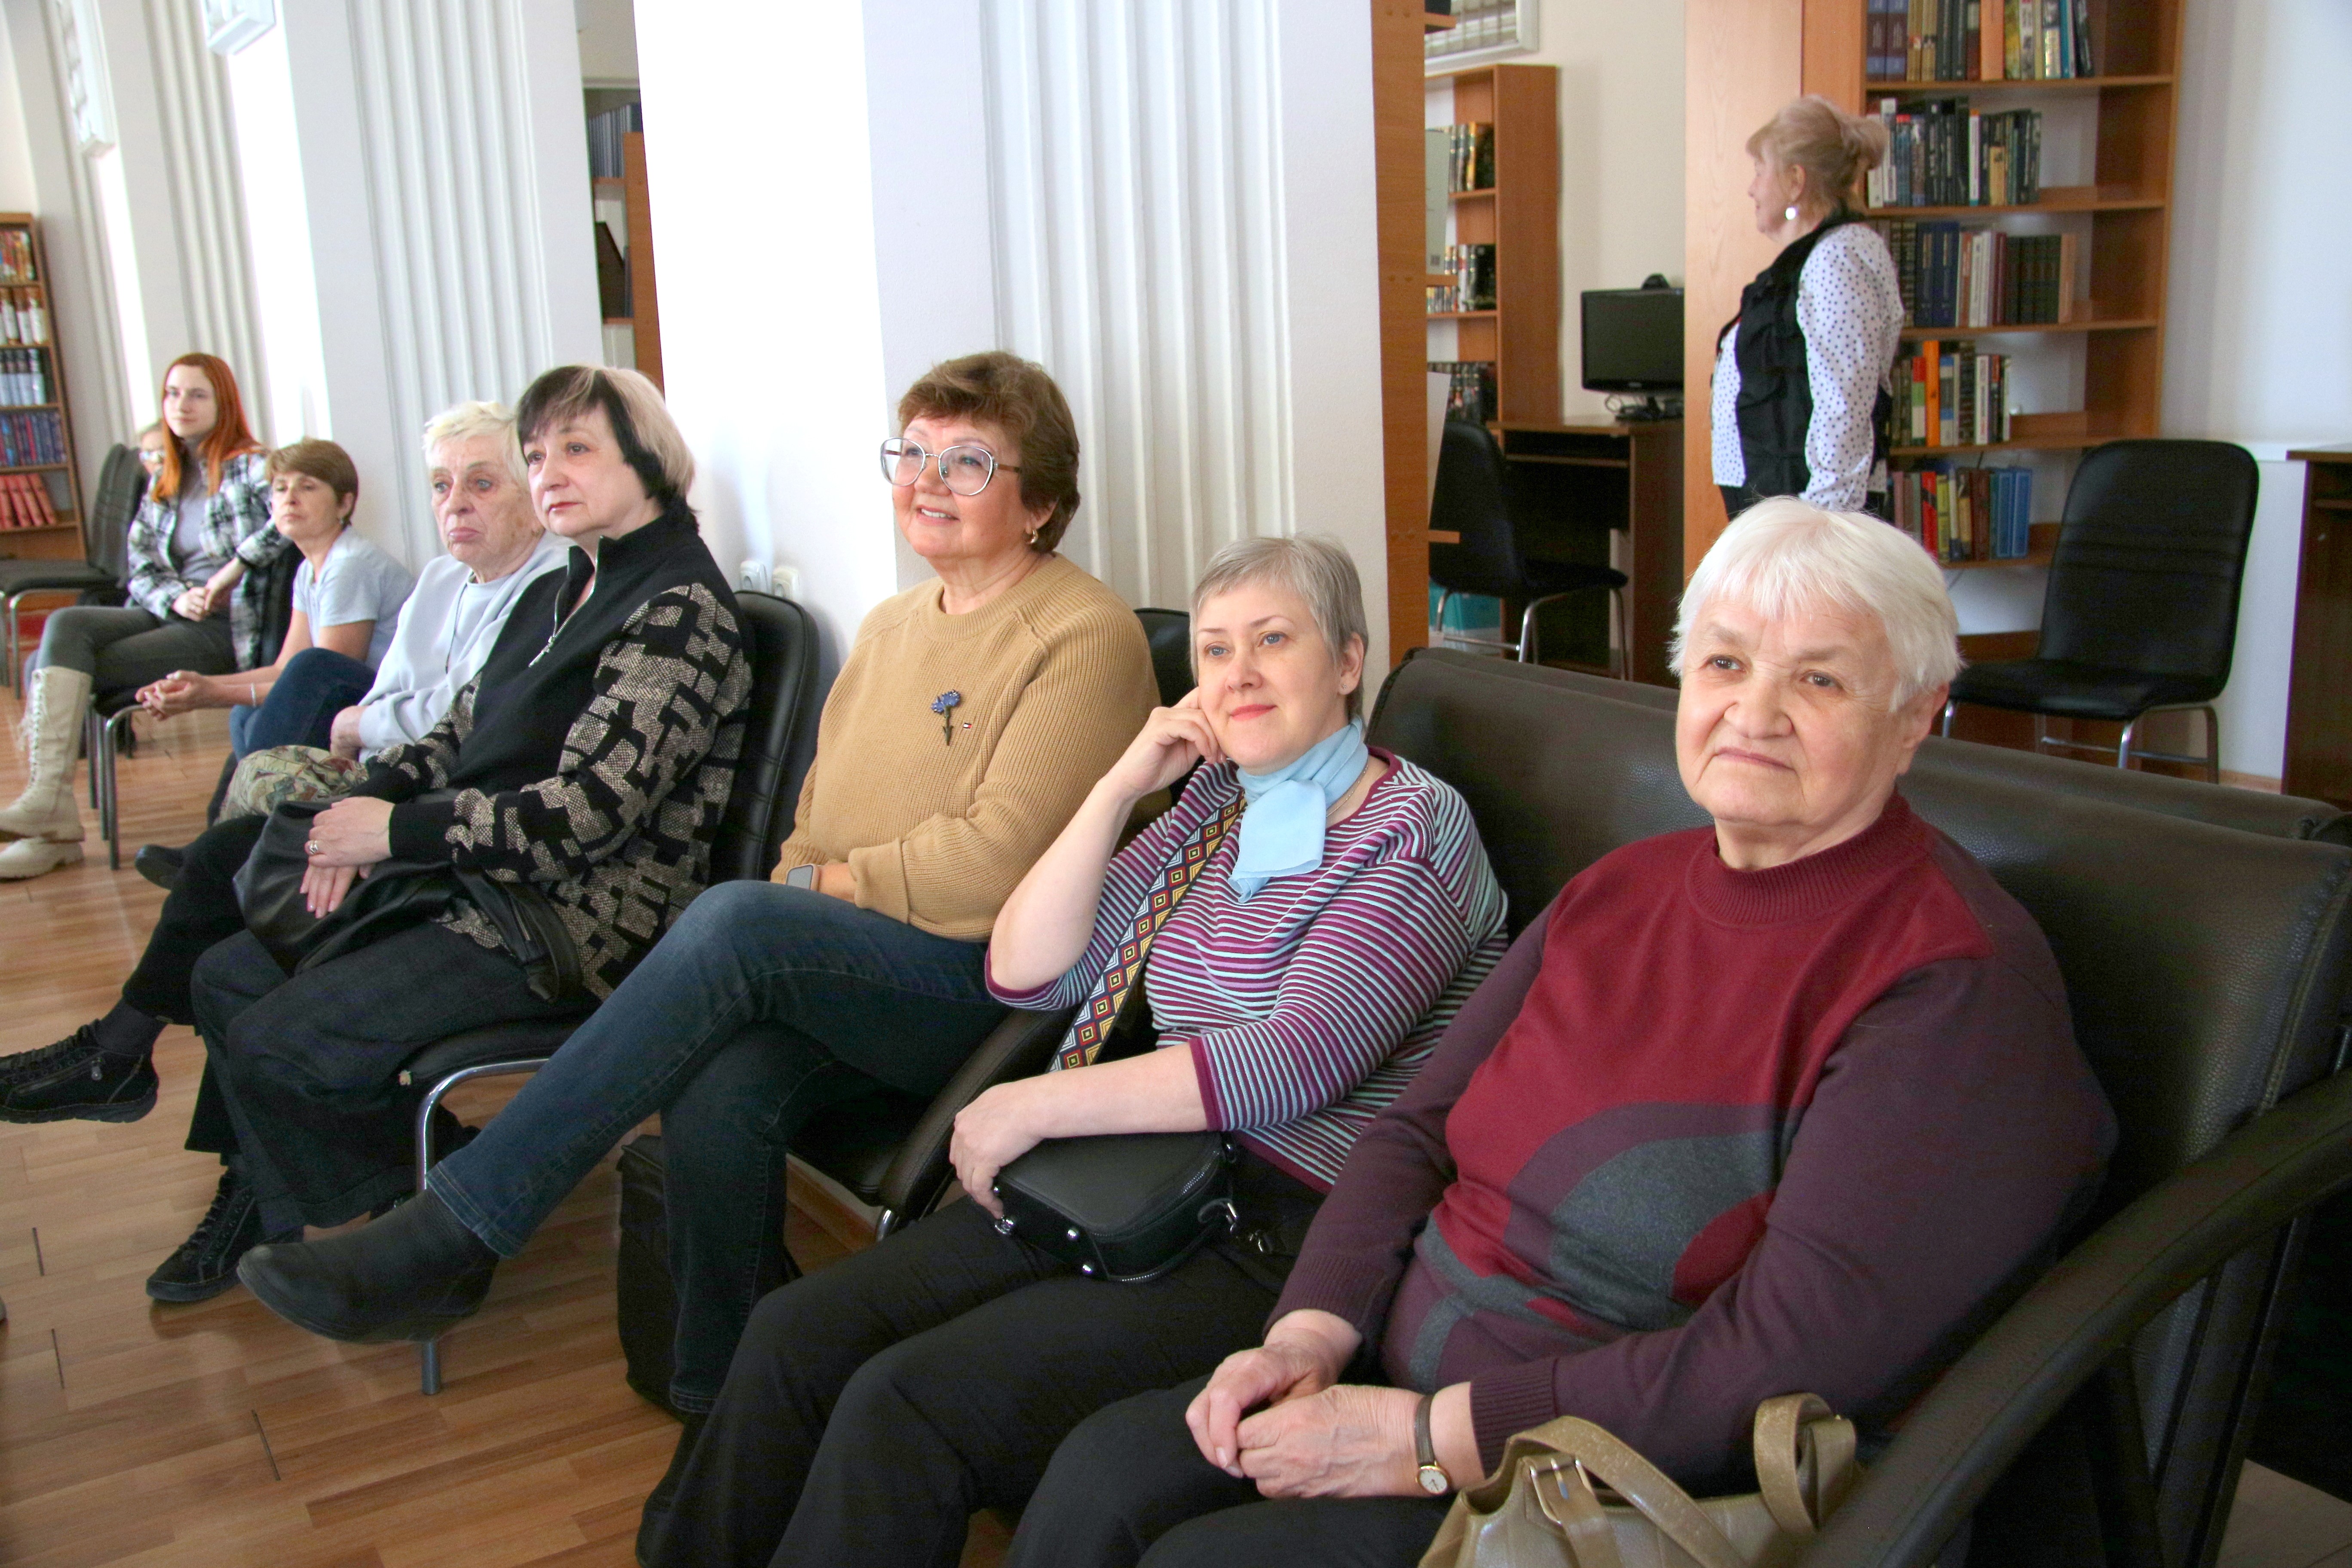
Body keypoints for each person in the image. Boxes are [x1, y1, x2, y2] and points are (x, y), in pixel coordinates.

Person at [1011, 498, 2116, 1568]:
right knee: (1105, 1476)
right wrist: (1310, 1331)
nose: (1755, 711)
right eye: (1725, 663)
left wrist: (1427, 1440)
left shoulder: (1952, 986)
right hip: (1403, 1377)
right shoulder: (1619, 890)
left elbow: (1787, 1357)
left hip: (1623, 1483)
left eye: (1818, 679)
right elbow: (1414, 1133)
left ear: (1916, 714)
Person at [232, 351, 1159, 1443]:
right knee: (721, 1086)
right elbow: (812, 823)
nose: (925, 481)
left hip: (986, 985)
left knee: (734, 918)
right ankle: (723, 1399)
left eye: (967, 462)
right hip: (861, 959)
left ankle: (462, 1226)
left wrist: (818, 891)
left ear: (1039, 501)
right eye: (911, 453)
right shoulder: (894, 626)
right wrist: (813, 888)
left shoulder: (1083, 635)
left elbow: (994, 869)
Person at [632, 534, 1508, 1568]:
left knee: (906, 1401)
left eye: (1274, 640)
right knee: (796, 1331)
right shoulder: (1217, 806)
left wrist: (1032, 1106)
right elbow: (1028, 971)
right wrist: (1120, 785)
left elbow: (1293, 1060)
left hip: (1278, 1229)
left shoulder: (1413, 828)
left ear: (1349, 660)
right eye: (1216, 649)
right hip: (1134, 1170)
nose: (1238, 674)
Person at [128, 404, 568, 891]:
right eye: (441, 486)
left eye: (481, 484)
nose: (456, 503)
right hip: (389, 761)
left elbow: (460, 715)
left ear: (534, 496)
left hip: (449, 787)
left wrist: (356, 729)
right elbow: (380, 689)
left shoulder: (556, 582)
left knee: (262, 789)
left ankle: (220, 872)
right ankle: (219, 870)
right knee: (242, 824)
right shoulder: (440, 575)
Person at [0, 352, 276, 878]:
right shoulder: (168, 476)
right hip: (169, 611)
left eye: (197, 395)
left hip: (222, 627)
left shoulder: (253, 466)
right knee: (65, 625)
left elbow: (284, 524)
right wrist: (176, 597)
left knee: (48, 665)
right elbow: (140, 563)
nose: (181, 405)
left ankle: (50, 826)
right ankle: (48, 809)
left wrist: (229, 573)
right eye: (173, 393)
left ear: (223, 403)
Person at [133, 438, 414, 760]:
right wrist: (200, 686)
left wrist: (213, 695)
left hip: (391, 703)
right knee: (244, 713)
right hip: (344, 693)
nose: (289, 499)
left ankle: (254, 792)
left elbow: (324, 680)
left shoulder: (350, 565)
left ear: (344, 504)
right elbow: (285, 669)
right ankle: (255, 791)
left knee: (301, 674)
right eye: (280, 489)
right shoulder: (309, 569)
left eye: (307, 487)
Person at [1710, 96, 1904, 520]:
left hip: (1810, 518)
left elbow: (1844, 405)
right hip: (1781, 504)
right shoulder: (1813, 259)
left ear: (1795, 180)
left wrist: (1821, 530)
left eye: (1760, 170)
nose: (1751, 188)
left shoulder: (1838, 260)